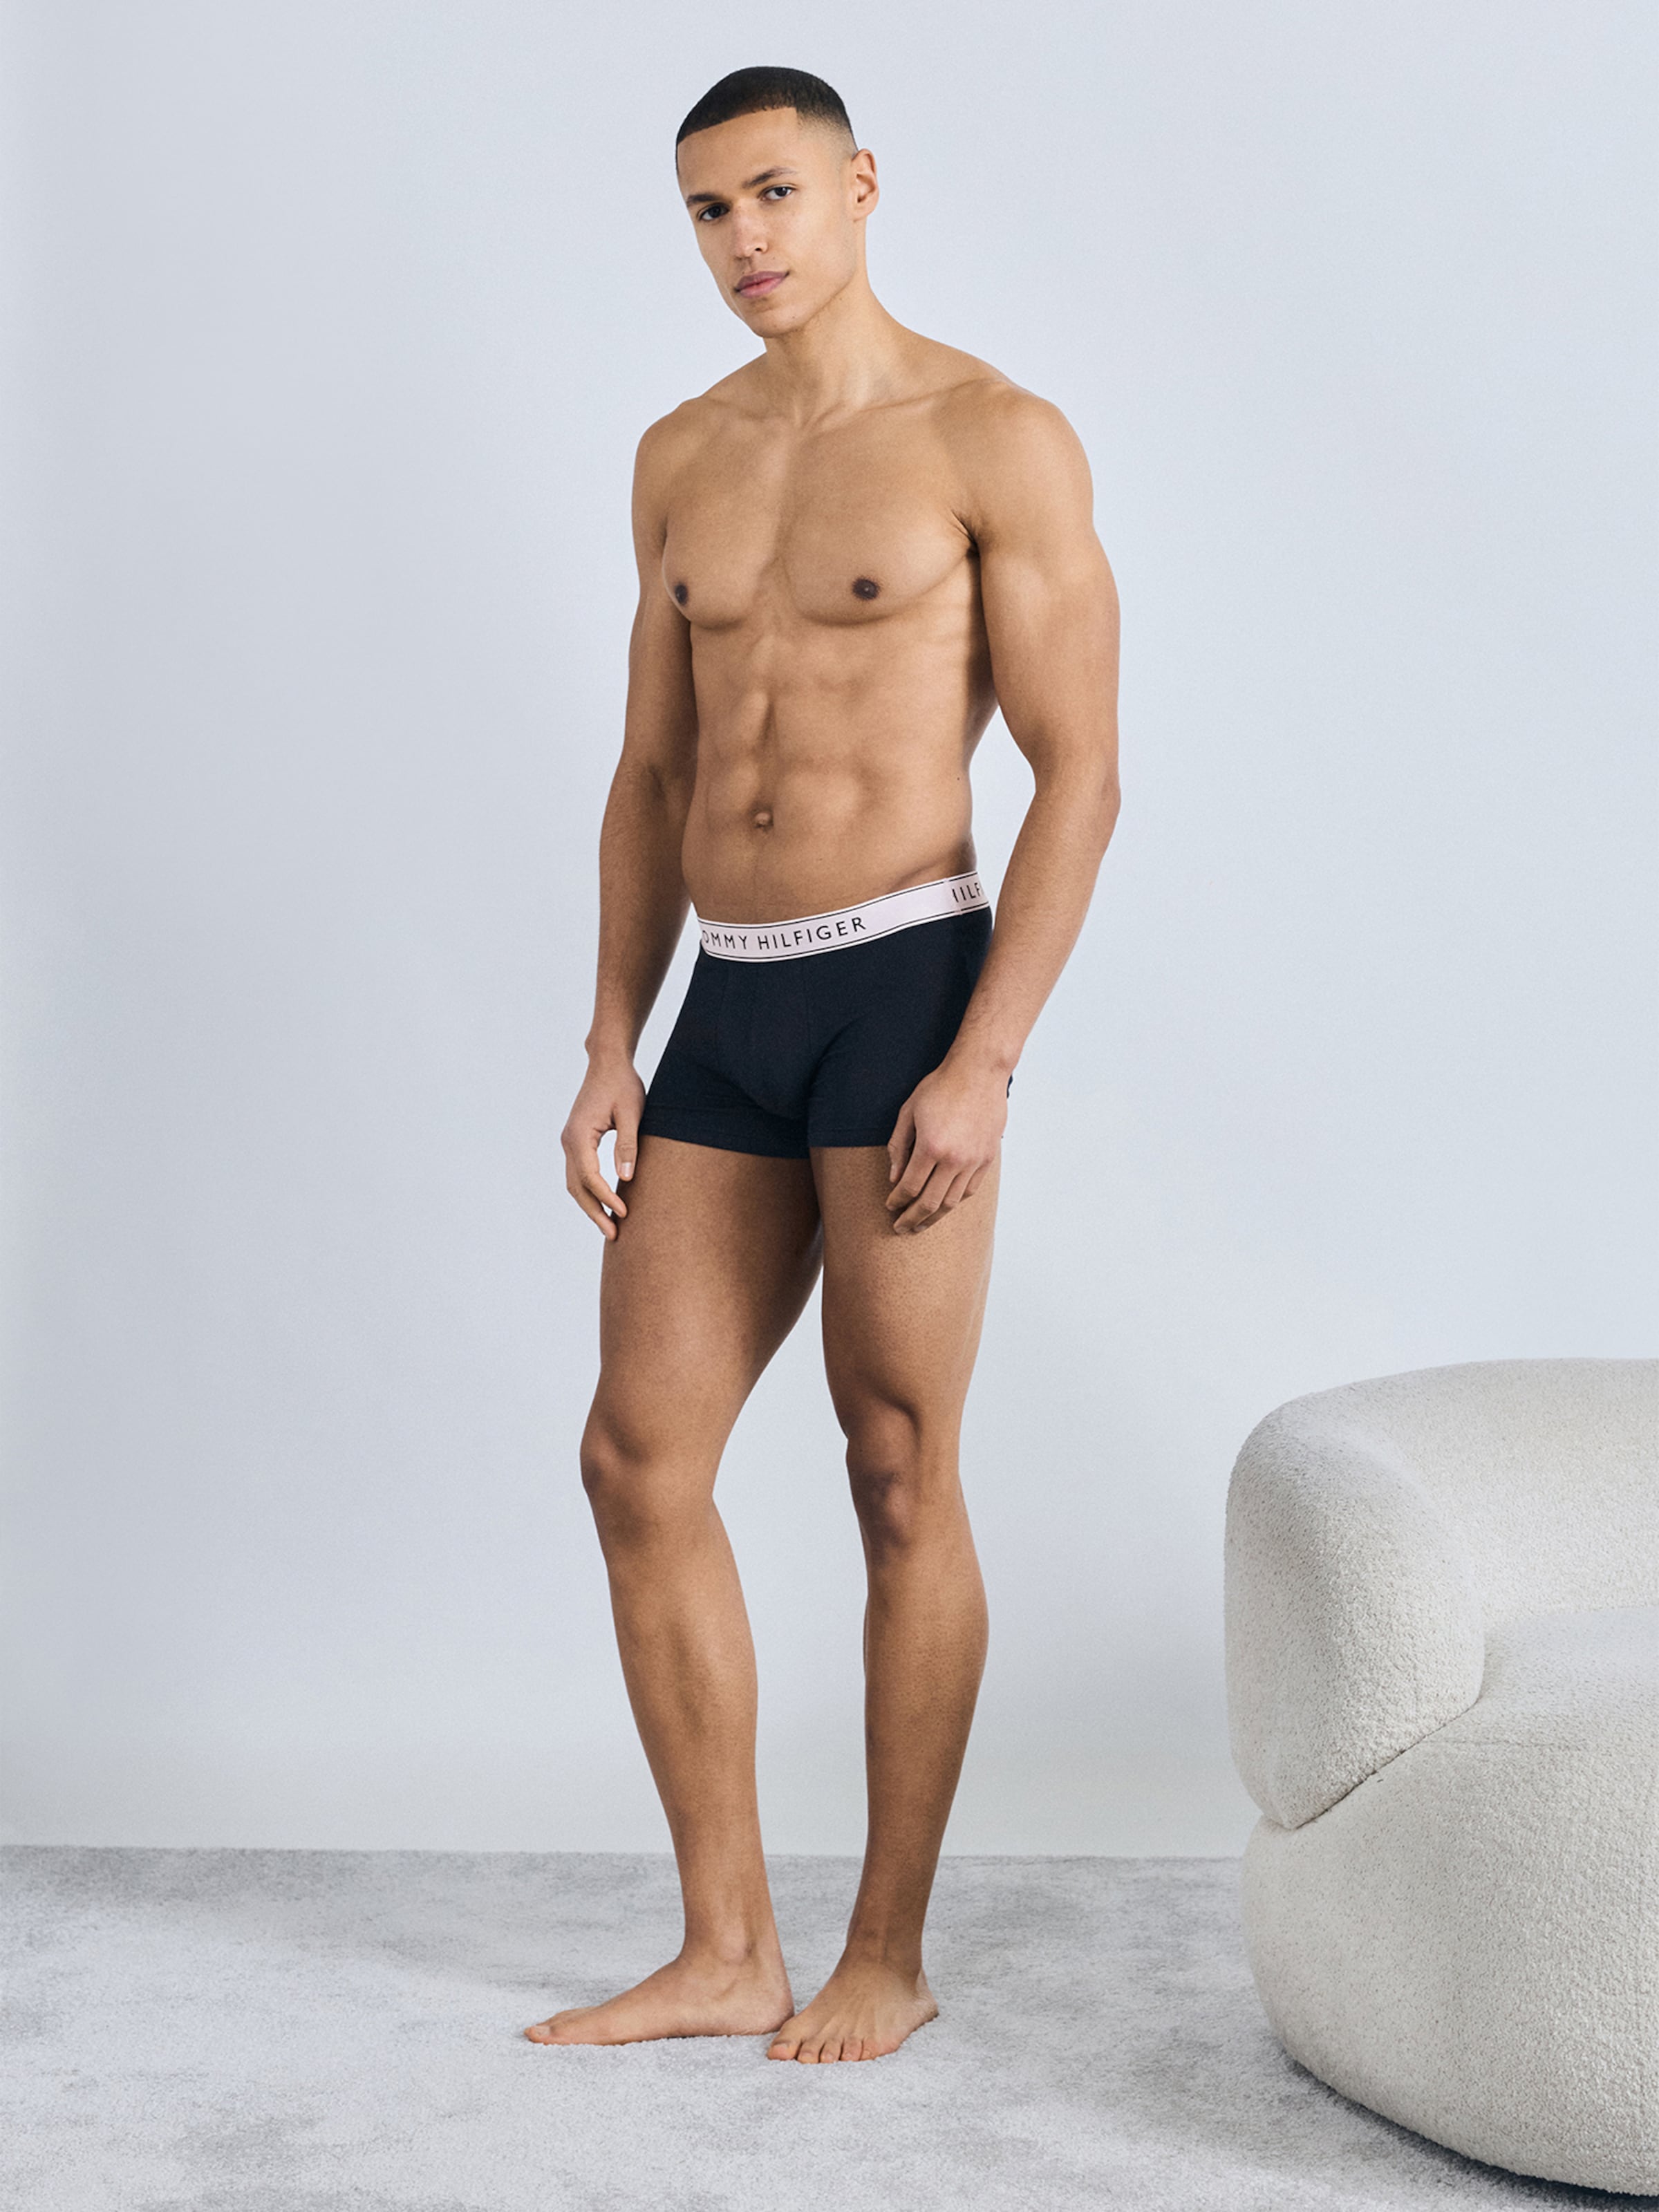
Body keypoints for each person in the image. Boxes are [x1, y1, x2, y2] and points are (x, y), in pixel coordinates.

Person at [528, 65, 1120, 2063]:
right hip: (728, 1002)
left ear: (860, 184)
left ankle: (889, 1950)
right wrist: (611, 1040)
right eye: (709, 211)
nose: (745, 241)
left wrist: (988, 1055)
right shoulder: (679, 457)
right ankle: (726, 1950)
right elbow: (651, 773)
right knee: (637, 1459)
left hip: (904, 989)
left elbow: (1081, 771)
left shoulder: (992, 436)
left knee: (894, 1467)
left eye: (775, 193)